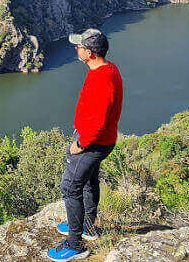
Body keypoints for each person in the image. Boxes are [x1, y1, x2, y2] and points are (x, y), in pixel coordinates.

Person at [46, 28, 123, 261]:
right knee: (89, 182)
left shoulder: (102, 79)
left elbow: (98, 122)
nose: (76, 48)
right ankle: (87, 226)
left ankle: (75, 243)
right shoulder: (106, 68)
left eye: (79, 46)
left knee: (70, 187)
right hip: (101, 140)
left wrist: (80, 144)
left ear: (89, 53)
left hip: (93, 142)